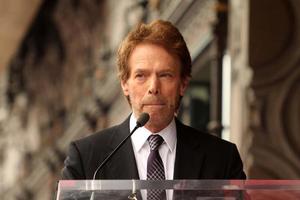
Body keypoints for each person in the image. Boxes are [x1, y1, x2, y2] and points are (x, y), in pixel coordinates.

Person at [62, 19, 246, 199]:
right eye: (141, 75)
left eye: (165, 75)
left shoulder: (221, 158)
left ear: (183, 84)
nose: (153, 87)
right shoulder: (87, 158)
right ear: (125, 84)